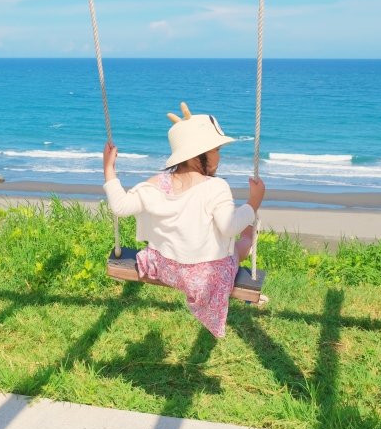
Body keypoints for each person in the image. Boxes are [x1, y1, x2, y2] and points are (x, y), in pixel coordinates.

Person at [103, 103, 266, 337]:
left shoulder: (156, 183)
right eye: (216, 150)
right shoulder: (216, 187)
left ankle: (245, 237)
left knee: (211, 237)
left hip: (167, 268)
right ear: (199, 153)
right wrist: (253, 202)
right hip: (204, 281)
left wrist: (108, 167)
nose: (219, 156)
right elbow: (229, 226)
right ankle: (249, 238)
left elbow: (119, 206)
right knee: (234, 251)